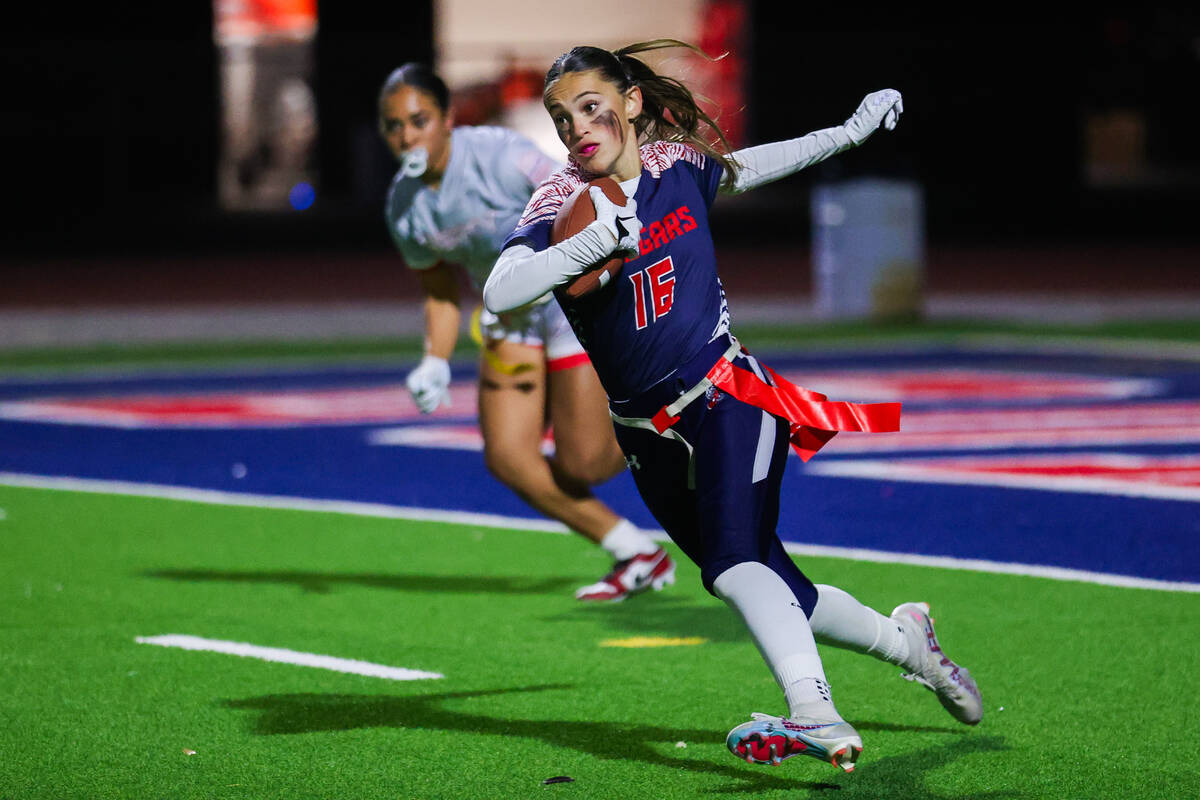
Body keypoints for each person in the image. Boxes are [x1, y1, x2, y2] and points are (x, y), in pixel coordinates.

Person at [483, 40, 982, 772]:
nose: (577, 128)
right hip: (645, 436)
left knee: (732, 566)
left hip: (727, 394)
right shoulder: (562, 199)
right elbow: (501, 291)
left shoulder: (674, 163)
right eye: (562, 118)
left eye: (592, 107)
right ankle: (910, 642)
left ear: (631, 102)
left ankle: (813, 710)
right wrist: (586, 245)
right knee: (777, 587)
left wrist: (845, 134)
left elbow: (752, 165)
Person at [379, 63, 675, 602]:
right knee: (509, 456)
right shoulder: (405, 206)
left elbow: (582, 195)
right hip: (510, 315)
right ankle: (637, 552)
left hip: (568, 301)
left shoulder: (499, 154)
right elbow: (442, 291)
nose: (406, 136)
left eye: (418, 120)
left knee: (584, 460)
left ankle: (674, 406)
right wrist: (434, 359)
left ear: (447, 118)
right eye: (393, 126)